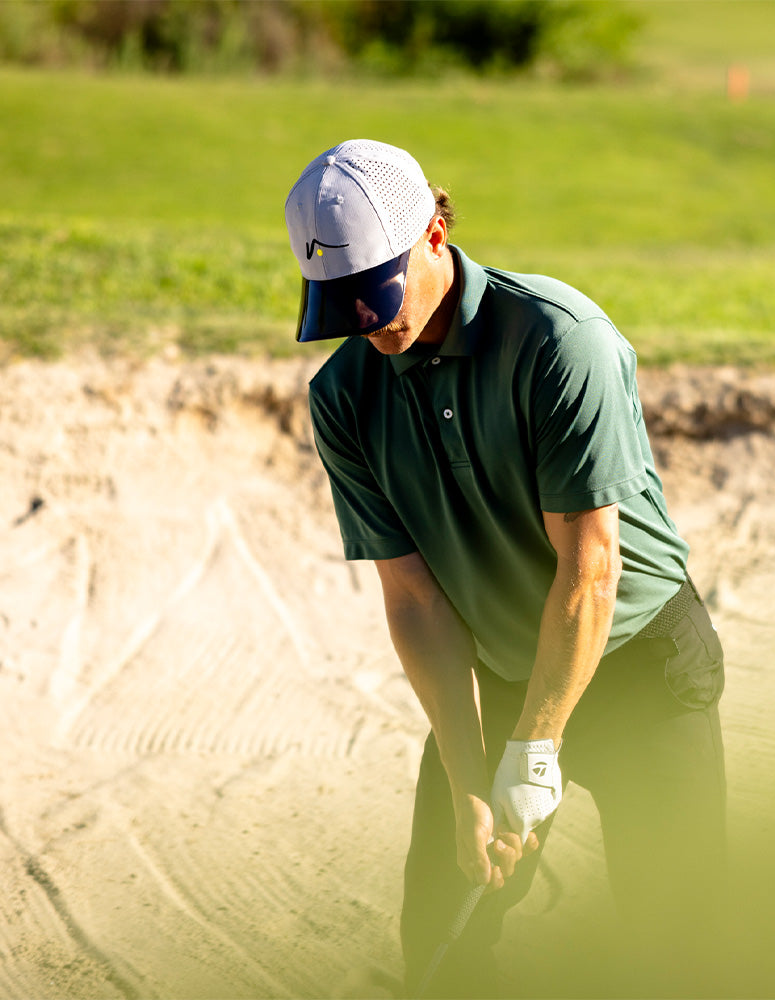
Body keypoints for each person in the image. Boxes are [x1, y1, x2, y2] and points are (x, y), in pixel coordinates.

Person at [285, 139, 727, 998]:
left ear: (436, 233)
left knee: (681, 944)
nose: (370, 325)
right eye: (344, 307)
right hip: (497, 664)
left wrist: (535, 747)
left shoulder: (562, 342)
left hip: (639, 660)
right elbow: (414, 597)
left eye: (377, 293)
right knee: (442, 934)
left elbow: (591, 569)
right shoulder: (344, 397)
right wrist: (467, 780)